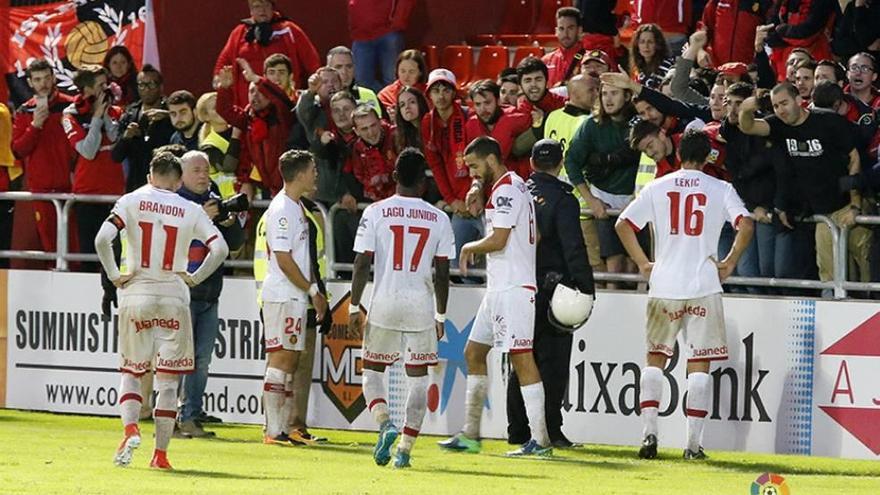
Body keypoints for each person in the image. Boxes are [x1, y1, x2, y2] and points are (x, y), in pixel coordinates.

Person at [614, 129, 754, 460]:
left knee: (655, 359)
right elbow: (745, 223)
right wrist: (730, 261)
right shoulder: (720, 188)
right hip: (703, 283)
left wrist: (643, 263)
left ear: (678, 154)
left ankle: (649, 435)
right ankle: (693, 445)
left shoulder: (657, 187)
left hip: (664, 283)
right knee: (699, 364)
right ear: (708, 158)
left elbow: (623, 224)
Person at [96, 151, 229, 469]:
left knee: (132, 373)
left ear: (149, 176)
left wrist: (115, 276)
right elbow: (220, 248)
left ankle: (130, 430)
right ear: (179, 179)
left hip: (137, 294)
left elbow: (103, 239)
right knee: (168, 382)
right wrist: (194, 277)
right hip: (174, 296)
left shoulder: (130, 200)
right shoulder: (190, 209)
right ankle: (161, 455)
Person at [438, 136, 552, 457]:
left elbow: (500, 239)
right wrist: (477, 190)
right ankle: (471, 433)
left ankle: (541, 440)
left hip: (513, 288)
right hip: (500, 287)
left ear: (490, 160)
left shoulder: (504, 189)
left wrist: (469, 246)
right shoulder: (514, 185)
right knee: (474, 353)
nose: (472, 173)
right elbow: (535, 234)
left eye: (475, 166)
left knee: (521, 357)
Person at [349, 148, 454, 468]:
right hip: (421, 303)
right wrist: (441, 315)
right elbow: (442, 272)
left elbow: (362, 262)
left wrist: (354, 305)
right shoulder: (439, 217)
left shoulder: (376, 212)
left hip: (384, 302)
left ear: (394, 177)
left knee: (372, 371)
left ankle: (384, 423)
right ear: (424, 182)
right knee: (418, 378)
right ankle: (405, 451)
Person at [739, 82, 872, 286]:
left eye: (784, 103)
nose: (780, 110)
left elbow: (854, 158)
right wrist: (747, 108)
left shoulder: (828, 121)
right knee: (830, 278)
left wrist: (855, 205)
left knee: (866, 269)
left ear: (800, 100)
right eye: (775, 106)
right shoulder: (778, 125)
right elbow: (748, 126)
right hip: (822, 215)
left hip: (847, 205)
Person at [507, 139, 595, 448]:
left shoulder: (516, 195)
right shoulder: (563, 199)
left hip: (519, 285)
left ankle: (517, 429)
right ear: (560, 165)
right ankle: (550, 430)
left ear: (531, 163)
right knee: (553, 364)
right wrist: (586, 287)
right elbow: (574, 247)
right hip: (553, 289)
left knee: (521, 358)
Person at [260, 149, 328, 445]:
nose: (315, 174)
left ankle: (282, 429)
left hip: (293, 297)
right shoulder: (283, 210)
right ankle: (273, 431)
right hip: (283, 295)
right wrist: (313, 290)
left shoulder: (296, 207)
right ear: (299, 174)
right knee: (282, 359)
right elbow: (284, 259)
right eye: (312, 169)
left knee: (289, 360)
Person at [176, 151, 244, 437]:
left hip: (210, 290)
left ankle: (191, 412)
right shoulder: (175, 203)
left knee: (202, 358)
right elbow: (172, 239)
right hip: (184, 290)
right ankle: (178, 416)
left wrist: (229, 224)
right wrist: (202, 218)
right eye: (196, 170)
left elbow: (236, 245)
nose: (204, 175)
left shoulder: (213, 197)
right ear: (181, 175)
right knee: (179, 358)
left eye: (206, 170)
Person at [564, 79, 641, 289]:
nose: (608, 99)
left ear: (627, 97)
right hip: (605, 200)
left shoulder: (640, 123)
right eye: (604, 94)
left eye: (614, 93)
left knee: (635, 264)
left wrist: (638, 200)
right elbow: (571, 161)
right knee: (613, 265)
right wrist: (591, 200)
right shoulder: (591, 125)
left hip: (637, 201)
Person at [12, 59, 77, 258]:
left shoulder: (70, 106)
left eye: (47, 78)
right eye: (38, 79)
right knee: (51, 247)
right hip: (41, 189)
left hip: (73, 187)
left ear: (54, 78)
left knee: (75, 246)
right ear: (30, 83)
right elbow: (17, 150)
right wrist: (35, 125)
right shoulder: (25, 111)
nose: (44, 84)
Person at [62, 65, 125, 270]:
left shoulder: (115, 110)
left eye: (107, 83)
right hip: (88, 195)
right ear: (87, 89)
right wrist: (96, 118)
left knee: (116, 257)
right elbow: (88, 151)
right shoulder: (71, 114)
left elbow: (116, 138)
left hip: (115, 195)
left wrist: (105, 113)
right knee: (90, 256)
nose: (106, 88)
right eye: (100, 85)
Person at [214, 0, 320, 106]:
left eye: (266, 5)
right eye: (257, 6)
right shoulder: (239, 32)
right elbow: (223, 60)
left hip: (283, 100)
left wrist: (316, 84)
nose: (262, 10)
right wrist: (218, 79)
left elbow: (311, 60)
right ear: (251, 10)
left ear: (273, 8)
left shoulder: (289, 29)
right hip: (249, 102)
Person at [421, 69, 478, 267]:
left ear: (454, 93)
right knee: (455, 262)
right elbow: (436, 166)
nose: (441, 96)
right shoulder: (428, 123)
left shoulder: (469, 116)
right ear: (429, 95)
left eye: (445, 90)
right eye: (435, 90)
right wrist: (452, 200)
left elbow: (477, 162)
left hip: (477, 199)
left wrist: (472, 196)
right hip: (457, 203)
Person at [216, 61, 295, 196]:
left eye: (261, 92)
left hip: (288, 185)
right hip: (264, 187)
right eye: (252, 91)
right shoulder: (247, 118)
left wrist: (256, 79)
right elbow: (225, 110)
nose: (255, 95)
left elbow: (281, 99)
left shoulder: (281, 114)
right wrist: (224, 89)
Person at [112, 64, 174, 192]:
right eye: (141, 85)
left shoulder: (171, 110)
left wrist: (169, 117)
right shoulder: (130, 114)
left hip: (166, 186)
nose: (146, 89)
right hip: (136, 187)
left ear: (160, 87)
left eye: (151, 84)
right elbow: (116, 156)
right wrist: (126, 137)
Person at [465, 80, 533, 179]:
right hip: (487, 187)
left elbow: (532, 117)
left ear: (498, 100)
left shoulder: (513, 118)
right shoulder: (471, 125)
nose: (483, 109)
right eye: (478, 104)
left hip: (516, 182)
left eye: (487, 103)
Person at [348, 0, 416, 91]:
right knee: (362, 83)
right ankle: (379, 102)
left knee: (392, 80)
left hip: (388, 32)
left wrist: (398, 21)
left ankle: (393, 103)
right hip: (360, 35)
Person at [195, 92, 243, 200]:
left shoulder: (241, 130)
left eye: (224, 105)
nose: (222, 110)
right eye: (216, 108)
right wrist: (236, 136)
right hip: (228, 200)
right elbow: (228, 167)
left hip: (253, 197)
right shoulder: (208, 145)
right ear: (206, 116)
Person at [348, 105, 397, 201]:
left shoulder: (395, 136)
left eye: (373, 125)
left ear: (380, 121)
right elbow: (359, 174)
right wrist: (371, 182)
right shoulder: (357, 148)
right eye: (364, 129)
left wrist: (390, 177)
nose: (371, 133)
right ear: (356, 131)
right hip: (377, 201)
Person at [327, 45, 381, 112]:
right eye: (338, 67)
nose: (344, 72)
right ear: (328, 70)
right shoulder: (321, 99)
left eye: (349, 66)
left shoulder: (368, 95)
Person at [378, 50, 428, 120]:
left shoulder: (429, 93)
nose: (406, 76)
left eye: (411, 72)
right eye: (402, 71)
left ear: (420, 72)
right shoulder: (385, 95)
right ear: (397, 71)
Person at [542, 7, 585, 88]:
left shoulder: (588, 60)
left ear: (579, 30)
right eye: (561, 29)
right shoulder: (546, 61)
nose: (565, 33)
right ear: (556, 31)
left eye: (570, 28)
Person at [629, 24, 675, 90]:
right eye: (642, 42)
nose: (646, 46)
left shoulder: (666, 65)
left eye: (650, 42)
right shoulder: (638, 68)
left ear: (658, 45)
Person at [392, 86, 430, 153]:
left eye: (412, 102)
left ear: (420, 103)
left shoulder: (432, 128)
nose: (407, 107)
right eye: (402, 105)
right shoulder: (399, 137)